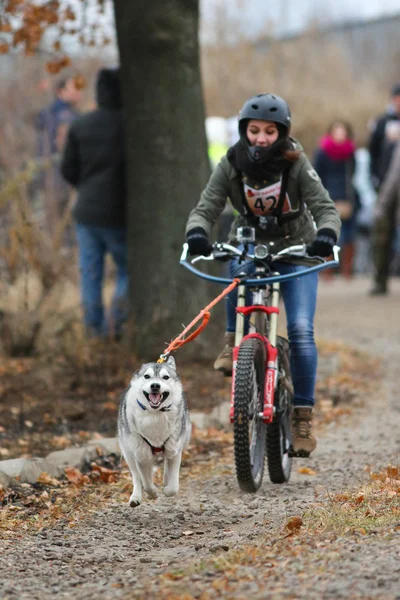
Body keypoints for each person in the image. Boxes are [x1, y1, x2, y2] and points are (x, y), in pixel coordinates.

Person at [185, 94, 341, 456]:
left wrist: (326, 234)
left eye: (270, 132)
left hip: (296, 251)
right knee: (235, 271)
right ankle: (232, 342)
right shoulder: (231, 164)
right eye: (254, 130)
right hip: (249, 244)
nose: (260, 138)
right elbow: (206, 207)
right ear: (244, 131)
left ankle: (302, 418)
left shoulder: (297, 163)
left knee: (301, 330)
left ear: (281, 133)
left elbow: (325, 207)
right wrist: (197, 232)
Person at [61, 68, 127, 339]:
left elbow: (68, 170)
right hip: (120, 214)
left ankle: (94, 332)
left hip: (86, 213)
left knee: (90, 274)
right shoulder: (132, 125)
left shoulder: (80, 124)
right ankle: (117, 324)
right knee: (128, 270)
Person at [35, 77, 82, 243]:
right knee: (64, 227)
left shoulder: (47, 114)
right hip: (61, 178)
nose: (78, 92)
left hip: (50, 177)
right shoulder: (66, 116)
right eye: (73, 88)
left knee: (54, 226)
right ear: (60, 92)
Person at [314, 120, 359, 279]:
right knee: (328, 232)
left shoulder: (350, 152)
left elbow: (353, 174)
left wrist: (349, 199)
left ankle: (347, 270)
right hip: (328, 196)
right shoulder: (322, 152)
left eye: (342, 131)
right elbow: (317, 176)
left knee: (349, 235)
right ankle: (328, 269)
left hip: (347, 196)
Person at [368, 83, 400, 295]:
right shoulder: (382, 123)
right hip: (386, 185)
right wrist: (376, 179)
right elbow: (373, 152)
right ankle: (380, 280)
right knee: (382, 233)